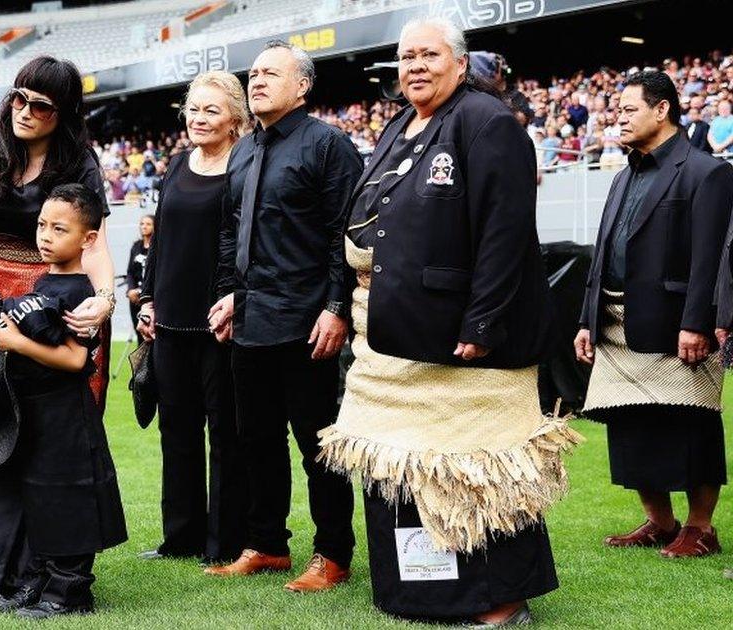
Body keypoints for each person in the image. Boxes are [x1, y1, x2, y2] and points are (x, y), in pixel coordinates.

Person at [317, 18, 581, 626]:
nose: (415, 66)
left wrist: (481, 321)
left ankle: (501, 599)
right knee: (402, 466)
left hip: (463, 339)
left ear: (460, 64)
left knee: (479, 469)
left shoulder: (487, 123)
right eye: (406, 56)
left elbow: (505, 233)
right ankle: (419, 591)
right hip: (391, 338)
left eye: (429, 54)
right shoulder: (398, 126)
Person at [0, 56, 116, 603]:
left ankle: (48, 571)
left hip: (60, 300)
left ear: (66, 113)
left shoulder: (80, 161)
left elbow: (95, 243)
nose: (25, 111)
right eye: (18, 97)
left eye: (41, 105)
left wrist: (102, 302)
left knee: (49, 432)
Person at [205, 41, 362, 592]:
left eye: (272, 73)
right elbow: (231, 232)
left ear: (303, 87)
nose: (257, 80)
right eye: (254, 74)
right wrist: (228, 294)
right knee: (257, 440)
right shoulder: (244, 150)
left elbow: (347, 235)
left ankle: (333, 554)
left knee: (318, 444)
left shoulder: (328, 145)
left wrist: (337, 308)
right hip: (251, 319)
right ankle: (268, 544)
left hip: (307, 320)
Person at [575, 71, 733, 559]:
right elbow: (601, 254)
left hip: (678, 323)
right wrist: (586, 319)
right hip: (617, 320)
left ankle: (701, 528)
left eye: (628, 110)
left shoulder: (706, 171)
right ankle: (661, 523)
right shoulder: (622, 174)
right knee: (631, 426)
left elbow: (712, 257)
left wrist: (698, 321)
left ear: (661, 110)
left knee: (691, 424)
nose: (618, 118)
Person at [0, 184, 127, 619]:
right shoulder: (45, 279)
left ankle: (71, 590)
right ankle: (39, 580)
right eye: (42, 225)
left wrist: (18, 343)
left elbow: (76, 359)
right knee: (39, 496)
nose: (45, 236)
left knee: (68, 498)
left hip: (66, 410)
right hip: (34, 408)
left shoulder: (82, 292)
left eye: (59, 229)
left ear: (88, 239)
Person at [136, 70, 249, 564]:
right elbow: (159, 241)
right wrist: (146, 300)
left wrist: (237, 300)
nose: (199, 119)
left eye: (212, 111)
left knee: (225, 434)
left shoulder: (246, 166)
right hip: (170, 320)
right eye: (194, 109)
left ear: (235, 120)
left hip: (220, 321)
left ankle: (223, 542)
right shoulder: (176, 165)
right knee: (176, 431)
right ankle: (179, 536)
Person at [125, 215, 154, 330]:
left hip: (151, 294)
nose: (144, 227)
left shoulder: (159, 247)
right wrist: (131, 289)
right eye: (142, 224)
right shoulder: (136, 246)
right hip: (136, 296)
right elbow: (130, 272)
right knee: (139, 329)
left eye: (148, 224)